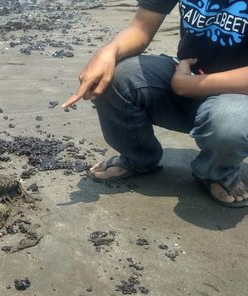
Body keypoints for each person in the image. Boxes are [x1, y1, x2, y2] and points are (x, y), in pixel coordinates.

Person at [62, 0, 248, 207]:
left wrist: (190, 86)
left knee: (229, 123)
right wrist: (109, 51)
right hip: (184, 72)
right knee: (115, 76)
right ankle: (138, 158)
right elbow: (141, 27)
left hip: (239, 92)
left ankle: (217, 172)